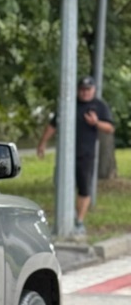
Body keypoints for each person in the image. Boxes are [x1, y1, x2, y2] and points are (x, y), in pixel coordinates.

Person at [37, 75, 115, 235]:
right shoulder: (69, 104)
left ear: (93, 90)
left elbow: (110, 128)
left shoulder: (99, 106)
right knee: (61, 184)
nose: (85, 92)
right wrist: (42, 143)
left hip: (85, 154)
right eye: (82, 89)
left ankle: (79, 222)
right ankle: (66, 217)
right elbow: (53, 125)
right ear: (78, 90)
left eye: (88, 89)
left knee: (84, 188)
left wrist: (96, 122)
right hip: (66, 154)